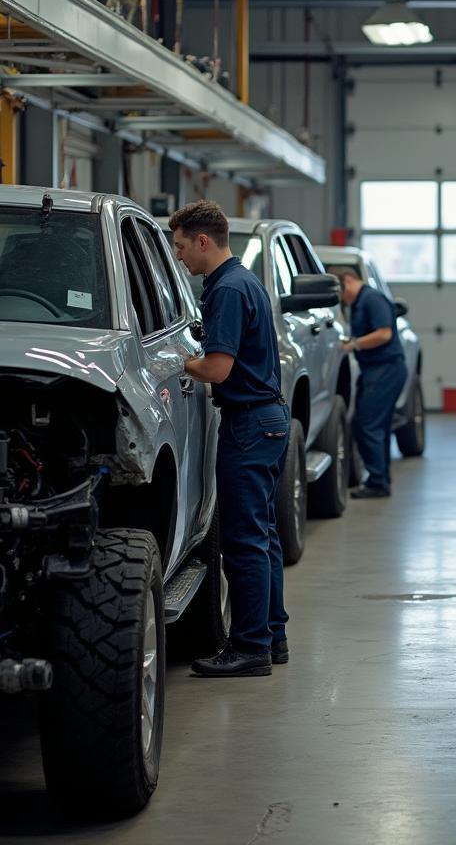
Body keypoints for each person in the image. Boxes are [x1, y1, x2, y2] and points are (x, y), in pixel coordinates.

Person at [169, 200, 291, 678]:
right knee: (263, 537)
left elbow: (217, 368)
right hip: (266, 421)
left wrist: (178, 360)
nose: (179, 257)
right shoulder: (244, 280)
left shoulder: (227, 290)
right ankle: (272, 635)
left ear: (203, 240)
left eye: (181, 247)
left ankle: (249, 648)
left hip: (248, 425)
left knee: (242, 543)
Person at [339, 268, 408, 499]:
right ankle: (380, 479)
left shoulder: (372, 300)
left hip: (385, 370)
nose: (341, 299)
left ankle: (377, 482)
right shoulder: (361, 302)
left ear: (348, 281)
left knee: (368, 424)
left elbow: (384, 334)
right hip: (376, 371)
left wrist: (355, 344)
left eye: (339, 292)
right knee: (377, 426)